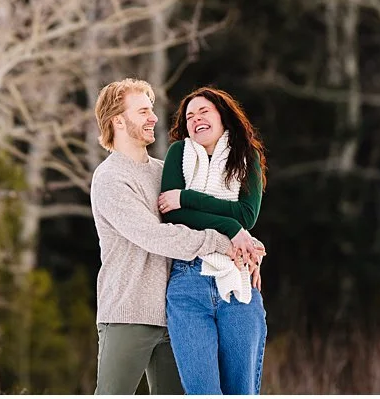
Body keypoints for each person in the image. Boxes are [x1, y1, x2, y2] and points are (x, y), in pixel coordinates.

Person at [89, 78, 267, 394]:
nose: (154, 118)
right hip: (130, 313)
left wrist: (245, 248)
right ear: (118, 119)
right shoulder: (110, 179)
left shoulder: (163, 171)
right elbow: (155, 235)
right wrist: (227, 243)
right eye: (143, 111)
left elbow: (210, 214)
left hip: (174, 311)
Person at [154, 86, 270, 395]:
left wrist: (186, 197)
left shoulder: (247, 157)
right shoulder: (178, 154)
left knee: (240, 391)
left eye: (204, 111)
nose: (196, 119)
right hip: (188, 281)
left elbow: (246, 215)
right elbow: (173, 216)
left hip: (238, 281)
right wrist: (230, 229)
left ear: (223, 115)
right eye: (190, 116)